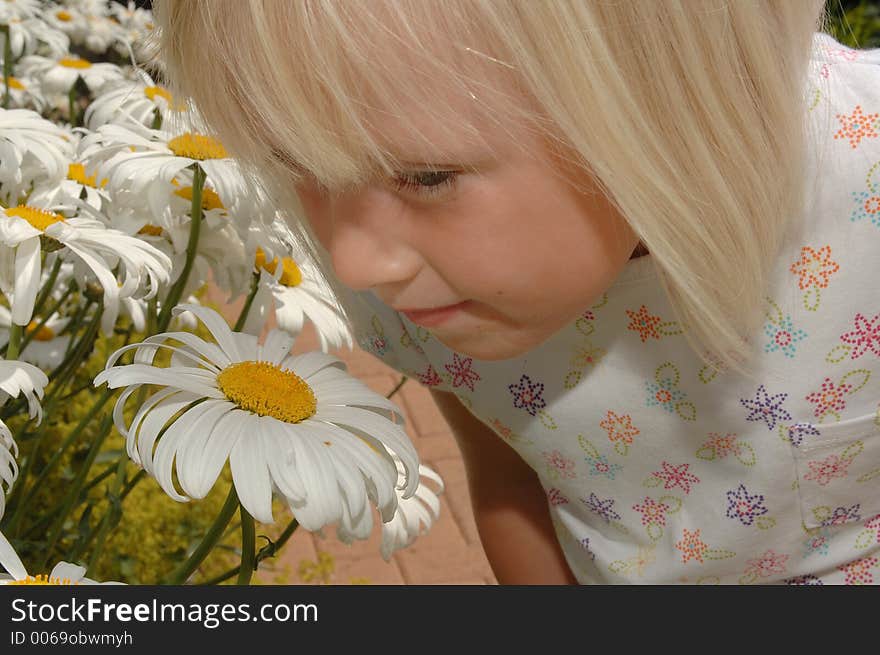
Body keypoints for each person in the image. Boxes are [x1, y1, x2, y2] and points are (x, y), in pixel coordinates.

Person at [153, 1, 880, 584]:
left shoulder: (862, 180)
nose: (352, 262)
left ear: (665, 100)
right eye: (294, 162)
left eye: (426, 176)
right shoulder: (428, 291)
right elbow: (509, 472)